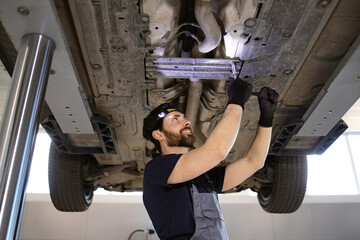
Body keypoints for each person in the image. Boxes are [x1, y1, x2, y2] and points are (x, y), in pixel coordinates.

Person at [142, 78, 279, 240]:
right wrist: (236, 102)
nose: (186, 122)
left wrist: (267, 119)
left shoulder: (205, 177)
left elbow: (254, 161)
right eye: (175, 119)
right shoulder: (157, 170)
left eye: (185, 118)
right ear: (158, 134)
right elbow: (217, 151)